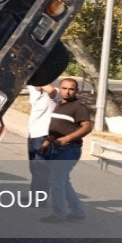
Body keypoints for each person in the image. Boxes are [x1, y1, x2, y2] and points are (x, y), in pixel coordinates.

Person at [40, 78, 93, 222]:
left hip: (69, 149)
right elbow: (57, 126)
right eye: (64, 88)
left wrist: (67, 138)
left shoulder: (79, 106)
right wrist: (47, 143)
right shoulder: (59, 104)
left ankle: (59, 214)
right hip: (55, 147)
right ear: (60, 88)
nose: (67, 92)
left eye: (71, 89)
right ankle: (78, 212)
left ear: (76, 91)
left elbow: (87, 127)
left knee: (56, 181)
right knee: (63, 181)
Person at [26, 83, 60, 195]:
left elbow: (51, 91)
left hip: (44, 134)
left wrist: (41, 81)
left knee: (41, 168)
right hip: (34, 133)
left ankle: (40, 198)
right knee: (34, 167)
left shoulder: (55, 93)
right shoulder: (32, 89)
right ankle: (34, 194)